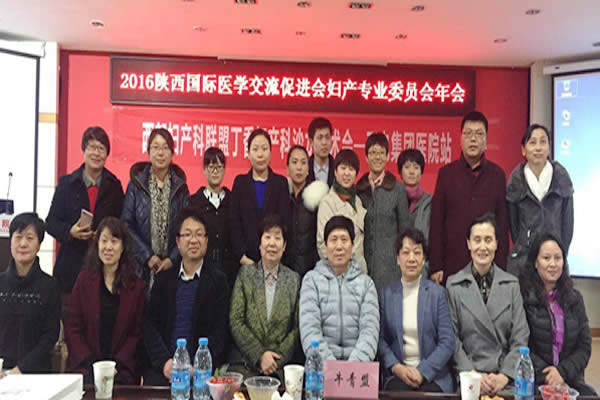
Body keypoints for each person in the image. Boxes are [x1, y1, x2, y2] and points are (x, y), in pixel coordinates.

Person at [143, 207, 229, 385]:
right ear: (178, 241)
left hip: (202, 372)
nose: (193, 240)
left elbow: (220, 332)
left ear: (206, 240)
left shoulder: (218, 281)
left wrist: (199, 366)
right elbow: (150, 325)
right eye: (187, 234)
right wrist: (164, 363)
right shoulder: (164, 279)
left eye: (199, 234)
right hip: (164, 370)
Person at [446, 213, 529, 397]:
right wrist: (472, 375)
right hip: (469, 378)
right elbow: (452, 338)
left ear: (496, 244)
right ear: (468, 244)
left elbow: (520, 335)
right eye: (477, 240)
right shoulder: (454, 285)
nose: (483, 247)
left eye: (488, 240)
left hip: (504, 379)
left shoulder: (511, 285)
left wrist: (505, 375)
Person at [429, 111, 509, 285]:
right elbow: (436, 223)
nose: (473, 139)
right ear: (461, 138)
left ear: (486, 140)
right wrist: (436, 265)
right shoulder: (446, 174)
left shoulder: (497, 175)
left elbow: (503, 225)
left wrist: (501, 267)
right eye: (468, 133)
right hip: (452, 263)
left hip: (487, 264)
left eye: (479, 134)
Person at [46, 126, 124, 301]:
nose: (96, 153)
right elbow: (50, 222)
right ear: (83, 150)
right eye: (92, 147)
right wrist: (70, 232)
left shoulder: (114, 186)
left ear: (107, 154)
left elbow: (122, 225)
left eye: (101, 148)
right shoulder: (66, 184)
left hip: (104, 266)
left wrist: (106, 236)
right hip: (70, 267)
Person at [64, 217, 146, 384]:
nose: (108, 247)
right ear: (97, 244)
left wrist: (117, 365)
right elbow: (73, 326)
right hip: (86, 367)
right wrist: (91, 364)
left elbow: (136, 333)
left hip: (121, 370)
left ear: (123, 246)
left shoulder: (136, 286)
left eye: (114, 241)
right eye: (104, 241)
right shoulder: (84, 280)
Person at [378, 228, 454, 392]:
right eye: (406, 253)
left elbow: (447, 341)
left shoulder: (437, 294)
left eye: (417, 253)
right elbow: (381, 341)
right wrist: (397, 367)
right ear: (398, 259)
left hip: (434, 376)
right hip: (398, 375)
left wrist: (422, 371)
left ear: (424, 258)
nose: (411, 258)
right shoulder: (386, 294)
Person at [520, 233, 596, 395]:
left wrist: (562, 372)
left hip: (569, 379)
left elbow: (584, 346)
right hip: (536, 380)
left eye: (558, 258)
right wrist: (550, 376)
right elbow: (521, 344)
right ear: (535, 262)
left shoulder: (575, 299)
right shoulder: (523, 297)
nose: (553, 264)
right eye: (546, 258)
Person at [228, 215, 300, 379]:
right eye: (267, 237)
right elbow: (236, 320)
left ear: (284, 246)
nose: (272, 243)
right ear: (260, 245)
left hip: (279, 368)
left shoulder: (294, 280)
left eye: (277, 238)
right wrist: (260, 355)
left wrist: (274, 361)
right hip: (245, 364)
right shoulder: (245, 274)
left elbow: (296, 328)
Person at [300, 216, 379, 361]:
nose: (339, 247)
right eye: (333, 240)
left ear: (353, 245)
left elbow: (370, 331)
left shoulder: (366, 284)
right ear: (325, 245)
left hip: (357, 368)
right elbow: (309, 330)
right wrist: (331, 366)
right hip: (321, 367)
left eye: (344, 240)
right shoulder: (311, 281)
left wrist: (352, 367)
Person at [122, 128, 190, 289]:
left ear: (172, 153)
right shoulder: (136, 185)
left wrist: (172, 259)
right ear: (148, 152)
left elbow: (187, 228)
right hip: (140, 268)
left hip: (172, 268)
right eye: (156, 147)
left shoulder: (181, 188)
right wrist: (148, 256)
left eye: (165, 147)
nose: (160, 153)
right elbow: (126, 224)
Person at [506, 124, 574, 276]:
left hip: (553, 262)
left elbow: (567, 225)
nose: (538, 148)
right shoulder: (515, 182)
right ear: (523, 150)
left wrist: (558, 255)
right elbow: (514, 227)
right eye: (532, 142)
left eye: (543, 142)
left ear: (549, 148)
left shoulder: (561, 178)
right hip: (524, 262)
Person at [0, 213, 61, 374]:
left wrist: (21, 369)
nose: (23, 244)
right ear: (10, 241)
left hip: (36, 372)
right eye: (18, 237)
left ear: (39, 244)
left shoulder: (50, 286)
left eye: (29, 238)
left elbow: (50, 336)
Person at [230, 128, 291, 266]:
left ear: (270, 153)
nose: (260, 154)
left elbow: (285, 221)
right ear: (248, 154)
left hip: (274, 259)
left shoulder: (280, 183)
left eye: (264, 149)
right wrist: (242, 256)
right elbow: (234, 222)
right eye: (255, 149)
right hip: (245, 260)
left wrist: (276, 256)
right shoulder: (240, 182)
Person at [356, 133, 409, 291]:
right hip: (362, 267)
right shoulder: (359, 189)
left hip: (390, 268)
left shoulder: (398, 189)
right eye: (372, 152)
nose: (377, 157)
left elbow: (405, 230)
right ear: (366, 157)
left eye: (381, 153)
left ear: (387, 157)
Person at [190, 147, 236, 287]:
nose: (215, 171)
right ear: (204, 170)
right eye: (211, 167)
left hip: (229, 269)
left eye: (219, 167)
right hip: (202, 267)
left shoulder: (233, 200)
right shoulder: (194, 201)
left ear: (225, 170)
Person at [316, 149, 367, 273]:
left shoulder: (357, 201)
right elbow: (322, 243)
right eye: (343, 168)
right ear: (335, 171)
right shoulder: (327, 202)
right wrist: (339, 270)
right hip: (337, 272)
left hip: (360, 271)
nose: (347, 173)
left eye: (351, 169)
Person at [286, 145, 320, 277]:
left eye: (303, 162)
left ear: (308, 169)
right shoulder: (281, 195)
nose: (299, 167)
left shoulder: (317, 197)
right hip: (285, 271)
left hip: (310, 271)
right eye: (294, 162)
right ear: (287, 168)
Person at [397, 149, 432, 243]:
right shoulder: (393, 198)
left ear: (421, 172)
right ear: (400, 171)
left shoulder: (430, 202)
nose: (412, 172)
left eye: (416, 167)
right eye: (407, 167)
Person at [307, 117, 335, 186]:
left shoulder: (338, 169)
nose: (324, 142)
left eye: (327, 137)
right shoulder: (305, 169)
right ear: (311, 141)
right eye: (320, 138)